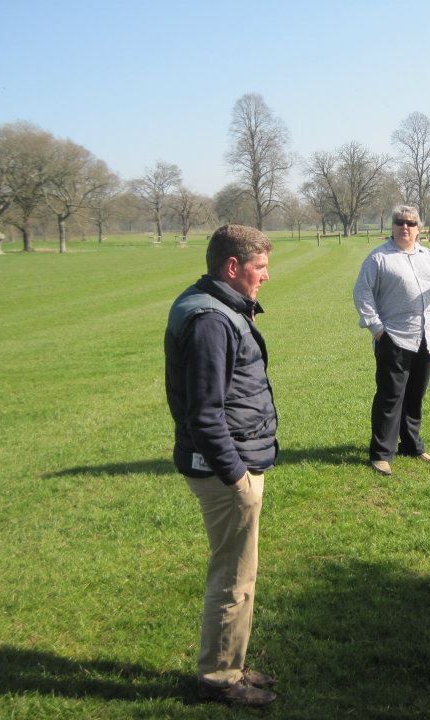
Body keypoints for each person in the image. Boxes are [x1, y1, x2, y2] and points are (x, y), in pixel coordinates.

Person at [164, 224, 278, 707]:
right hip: (225, 471)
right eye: (260, 267)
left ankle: (230, 663)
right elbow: (204, 413)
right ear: (232, 268)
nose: (266, 277)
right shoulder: (211, 320)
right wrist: (237, 477)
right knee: (233, 578)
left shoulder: (216, 306)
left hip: (232, 461)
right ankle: (218, 680)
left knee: (239, 573)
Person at [353, 205, 430, 476]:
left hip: (425, 337)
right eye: (400, 222)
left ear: (419, 228)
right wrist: (377, 328)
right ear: (392, 226)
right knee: (390, 398)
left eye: (411, 223)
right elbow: (362, 293)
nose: (405, 227)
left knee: (415, 396)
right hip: (394, 338)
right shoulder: (378, 258)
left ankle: (411, 446)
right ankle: (381, 453)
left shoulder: (428, 256)